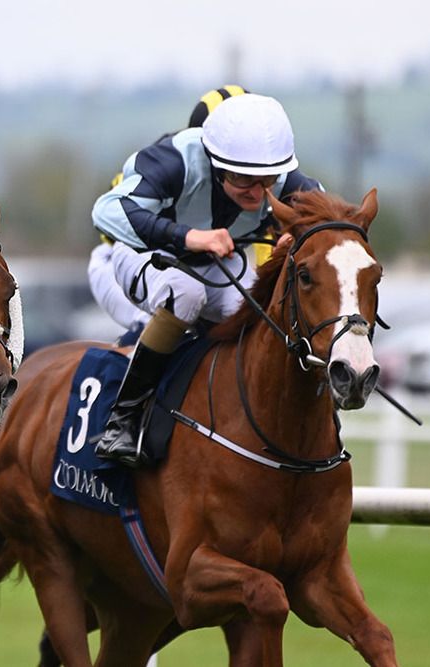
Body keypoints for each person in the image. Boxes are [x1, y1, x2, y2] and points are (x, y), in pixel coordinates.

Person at [90, 93, 324, 467]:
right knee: (186, 294)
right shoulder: (173, 160)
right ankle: (124, 419)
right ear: (216, 165)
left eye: (268, 178)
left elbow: (326, 220)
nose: (259, 191)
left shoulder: (283, 179)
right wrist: (188, 236)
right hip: (140, 253)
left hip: (214, 261)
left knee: (251, 312)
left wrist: (298, 235)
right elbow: (105, 211)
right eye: (244, 178)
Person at [88, 85, 250, 346]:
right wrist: (185, 237)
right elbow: (112, 229)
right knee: (174, 311)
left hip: (200, 264)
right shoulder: (169, 164)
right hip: (121, 260)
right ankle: (130, 384)